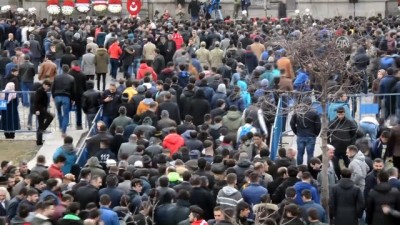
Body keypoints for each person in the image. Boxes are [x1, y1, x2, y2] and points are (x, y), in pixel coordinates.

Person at [290, 97, 321, 165]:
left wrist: (296, 132)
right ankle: (310, 168)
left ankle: (299, 168)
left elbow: (292, 123)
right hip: (311, 135)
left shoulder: (297, 112)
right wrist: (316, 134)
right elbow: (318, 125)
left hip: (300, 135)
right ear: (311, 104)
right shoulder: (314, 112)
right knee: (310, 154)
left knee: (300, 153)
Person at [52, 65, 76, 137]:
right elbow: (73, 90)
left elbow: (53, 87)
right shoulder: (71, 78)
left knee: (59, 112)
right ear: (68, 70)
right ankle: (63, 130)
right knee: (66, 114)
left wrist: (53, 96)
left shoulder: (56, 77)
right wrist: (73, 99)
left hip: (57, 96)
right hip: (66, 96)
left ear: (61, 69)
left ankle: (60, 126)